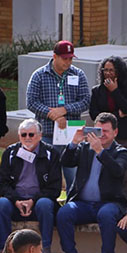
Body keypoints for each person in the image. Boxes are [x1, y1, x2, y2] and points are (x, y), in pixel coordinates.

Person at [56, 112, 127, 253]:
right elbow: (66, 162)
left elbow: (117, 171)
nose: (101, 135)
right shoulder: (84, 148)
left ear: (115, 133)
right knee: (64, 213)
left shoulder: (122, 152)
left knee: (106, 215)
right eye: (98, 131)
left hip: (110, 203)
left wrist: (100, 152)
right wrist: (74, 143)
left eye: (106, 131)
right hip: (82, 203)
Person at [26, 40, 91, 188]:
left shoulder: (78, 74)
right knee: (46, 176)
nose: (68, 62)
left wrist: (65, 110)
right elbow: (31, 102)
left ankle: (72, 206)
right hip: (47, 134)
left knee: (73, 176)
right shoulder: (39, 75)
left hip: (72, 135)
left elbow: (86, 101)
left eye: (70, 58)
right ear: (55, 57)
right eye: (64, 58)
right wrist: (52, 114)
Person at [0, 118, 62, 253]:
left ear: (40, 136)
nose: (27, 138)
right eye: (23, 135)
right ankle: (6, 252)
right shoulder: (10, 153)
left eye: (31, 134)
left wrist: (33, 201)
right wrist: (16, 200)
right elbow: (3, 184)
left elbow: (54, 188)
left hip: (38, 203)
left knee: (45, 204)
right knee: (0, 204)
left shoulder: (51, 153)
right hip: (15, 203)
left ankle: (45, 251)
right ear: (19, 136)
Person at [89, 56, 127, 196]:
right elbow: (94, 115)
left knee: (126, 176)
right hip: (104, 138)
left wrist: (115, 91)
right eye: (105, 70)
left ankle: (126, 207)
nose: (108, 73)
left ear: (119, 71)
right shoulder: (97, 91)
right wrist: (117, 114)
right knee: (106, 173)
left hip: (126, 136)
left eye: (112, 70)